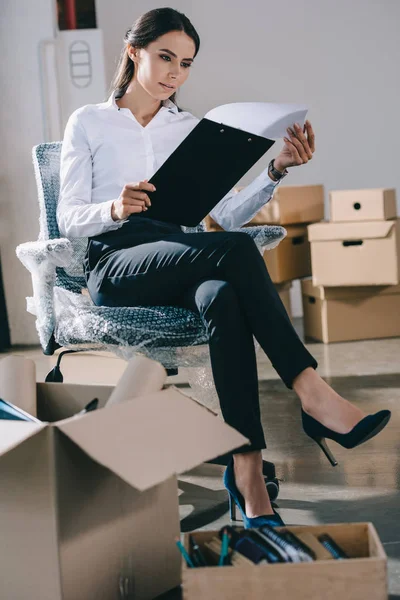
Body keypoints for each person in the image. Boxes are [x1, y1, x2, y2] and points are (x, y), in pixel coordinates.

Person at [57, 7, 391, 528]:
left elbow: (222, 215)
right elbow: (68, 217)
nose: (175, 73)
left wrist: (276, 170)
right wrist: (114, 208)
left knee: (224, 296)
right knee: (234, 250)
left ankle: (247, 473)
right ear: (133, 52)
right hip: (116, 263)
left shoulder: (189, 128)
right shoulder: (90, 121)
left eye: (186, 63)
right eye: (165, 57)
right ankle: (311, 392)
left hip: (181, 256)